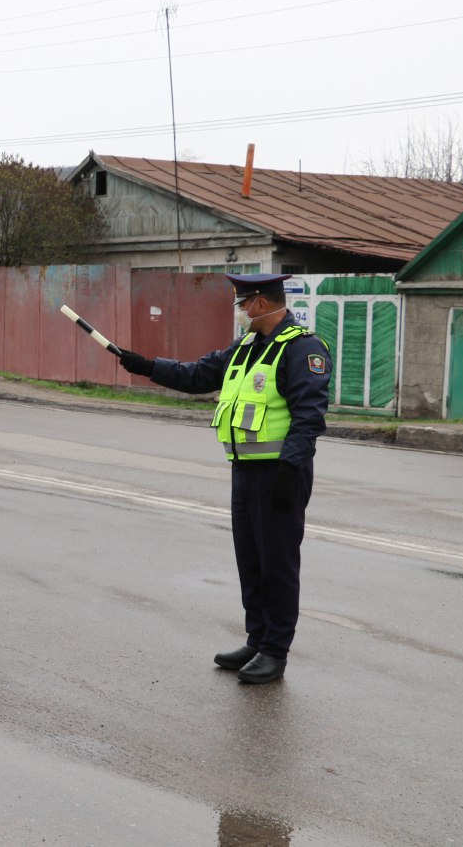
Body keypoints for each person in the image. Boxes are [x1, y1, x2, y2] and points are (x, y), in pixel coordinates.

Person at [118, 273, 331, 684]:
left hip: (279, 474)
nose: (240, 312)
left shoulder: (302, 349)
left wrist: (290, 470)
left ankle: (275, 651)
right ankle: (256, 638)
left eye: (243, 304)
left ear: (262, 303)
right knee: (250, 563)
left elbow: (309, 415)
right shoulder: (245, 348)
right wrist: (146, 366)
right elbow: (197, 374)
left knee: (278, 566)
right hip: (245, 472)